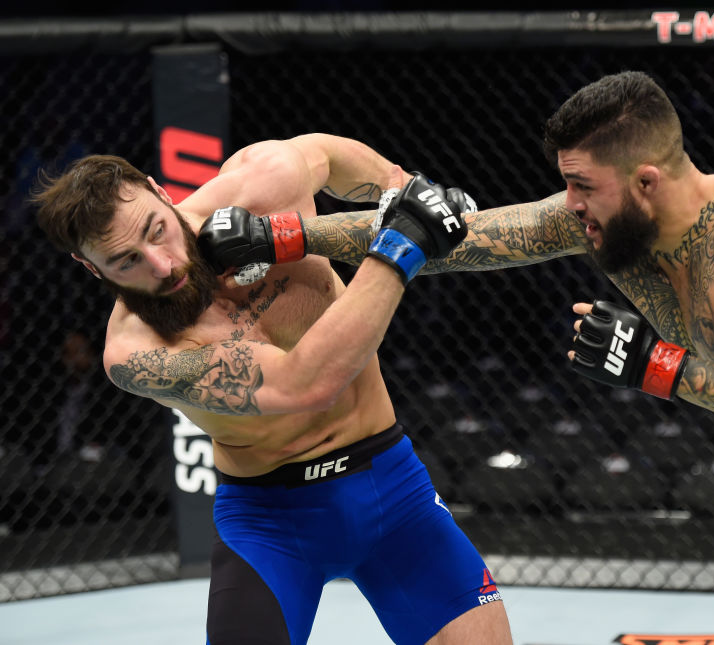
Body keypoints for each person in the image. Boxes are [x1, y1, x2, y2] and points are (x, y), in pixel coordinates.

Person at [216, 73, 714, 644]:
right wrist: (287, 236)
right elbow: (470, 239)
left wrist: (657, 366)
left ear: (647, 179)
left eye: (582, 187)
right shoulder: (609, 221)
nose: (571, 207)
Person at [32, 134, 513, 645]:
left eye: (157, 231)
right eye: (126, 261)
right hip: (272, 526)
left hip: (394, 492)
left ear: (162, 193)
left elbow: (326, 156)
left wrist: (398, 191)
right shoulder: (135, 353)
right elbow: (306, 384)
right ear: (91, 268)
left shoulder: (261, 186)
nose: (162, 265)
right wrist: (400, 243)